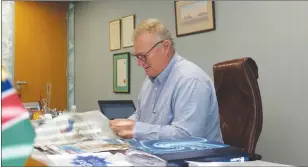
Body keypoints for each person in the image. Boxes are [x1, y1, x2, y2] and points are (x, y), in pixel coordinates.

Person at [110, 18, 223, 143]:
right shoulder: (149, 81)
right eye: (136, 57)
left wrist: (136, 130)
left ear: (165, 47)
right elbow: (140, 117)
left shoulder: (190, 80)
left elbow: (187, 136)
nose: (139, 63)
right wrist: (118, 126)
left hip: (192, 160)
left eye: (143, 56)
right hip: (155, 157)